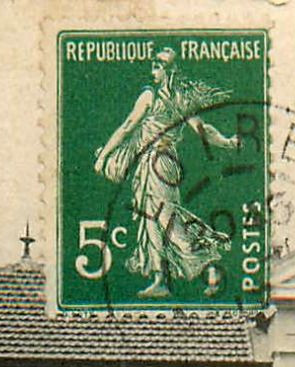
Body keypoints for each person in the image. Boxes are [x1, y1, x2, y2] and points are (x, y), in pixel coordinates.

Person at [92, 48, 242, 298]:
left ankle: (209, 265)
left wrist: (105, 155)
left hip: (155, 163)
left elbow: (128, 126)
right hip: (162, 163)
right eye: (154, 63)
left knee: (165, 219)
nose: (154, 67)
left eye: (159, 63)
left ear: (170, 70)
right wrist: (225, 141)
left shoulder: (150, 96)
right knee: (152, 218)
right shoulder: (180, 99)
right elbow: (203, 129)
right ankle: (159, 278)